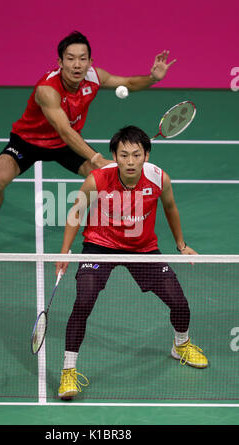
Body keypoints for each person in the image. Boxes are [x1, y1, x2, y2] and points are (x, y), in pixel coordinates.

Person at [0, 31, 176, 257]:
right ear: (60, 62)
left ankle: (110, 235)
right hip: (28, 141)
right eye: (71, 58)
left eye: (82, 58)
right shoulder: (47, 89)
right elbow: (64, 131)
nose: (77, 65)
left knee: (111, 177)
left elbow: (128, 83)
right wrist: (96, 158)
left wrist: (153, 78)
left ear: (90, 62)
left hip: (65, 146)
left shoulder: (94, 77)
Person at [56, 125, 208, 400]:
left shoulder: (159, 178)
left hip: (142, 248)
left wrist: (181, 245)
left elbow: (170, 207)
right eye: (123, 155)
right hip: (100, 245)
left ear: (146, 156)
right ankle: (68, 371)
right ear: (114, 155)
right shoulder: (97, 179)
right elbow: (76, 212)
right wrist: (64, 252)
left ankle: (181, 345)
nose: (129, 161)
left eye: (136, 155)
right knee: (84, 299)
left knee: (178, 301)